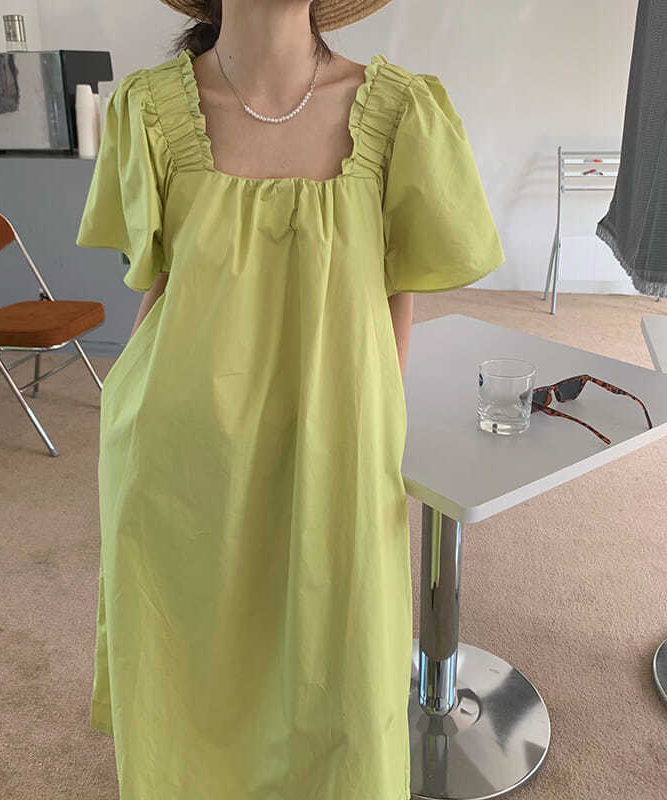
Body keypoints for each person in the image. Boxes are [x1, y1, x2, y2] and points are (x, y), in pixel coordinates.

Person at [75, 1, 505, 798]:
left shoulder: (400, 113)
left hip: (338, 450)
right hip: (177, 455)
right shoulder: (150, 109)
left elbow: (398, 290)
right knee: (185, 687)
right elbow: (158, 284)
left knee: (344, 688)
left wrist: (372, 432)